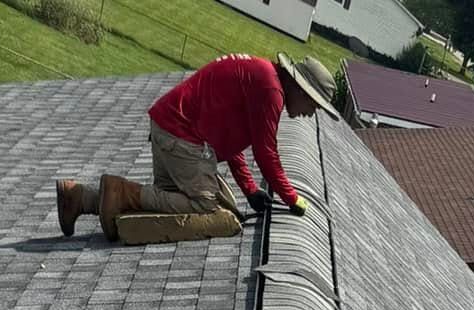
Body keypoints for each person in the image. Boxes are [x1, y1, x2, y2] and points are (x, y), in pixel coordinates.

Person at [55, 54, 340, 244]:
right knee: (204, 206)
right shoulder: (271, 91)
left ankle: (81, 199)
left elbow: (231, 143)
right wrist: (292, 199)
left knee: (167, 203)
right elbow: (267, 153)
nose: (310, 113)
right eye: (313, 105)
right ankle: (120, 191)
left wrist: (250, 190)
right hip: (182, 136)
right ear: (301, 90)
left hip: (168, 128)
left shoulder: (262, 77)